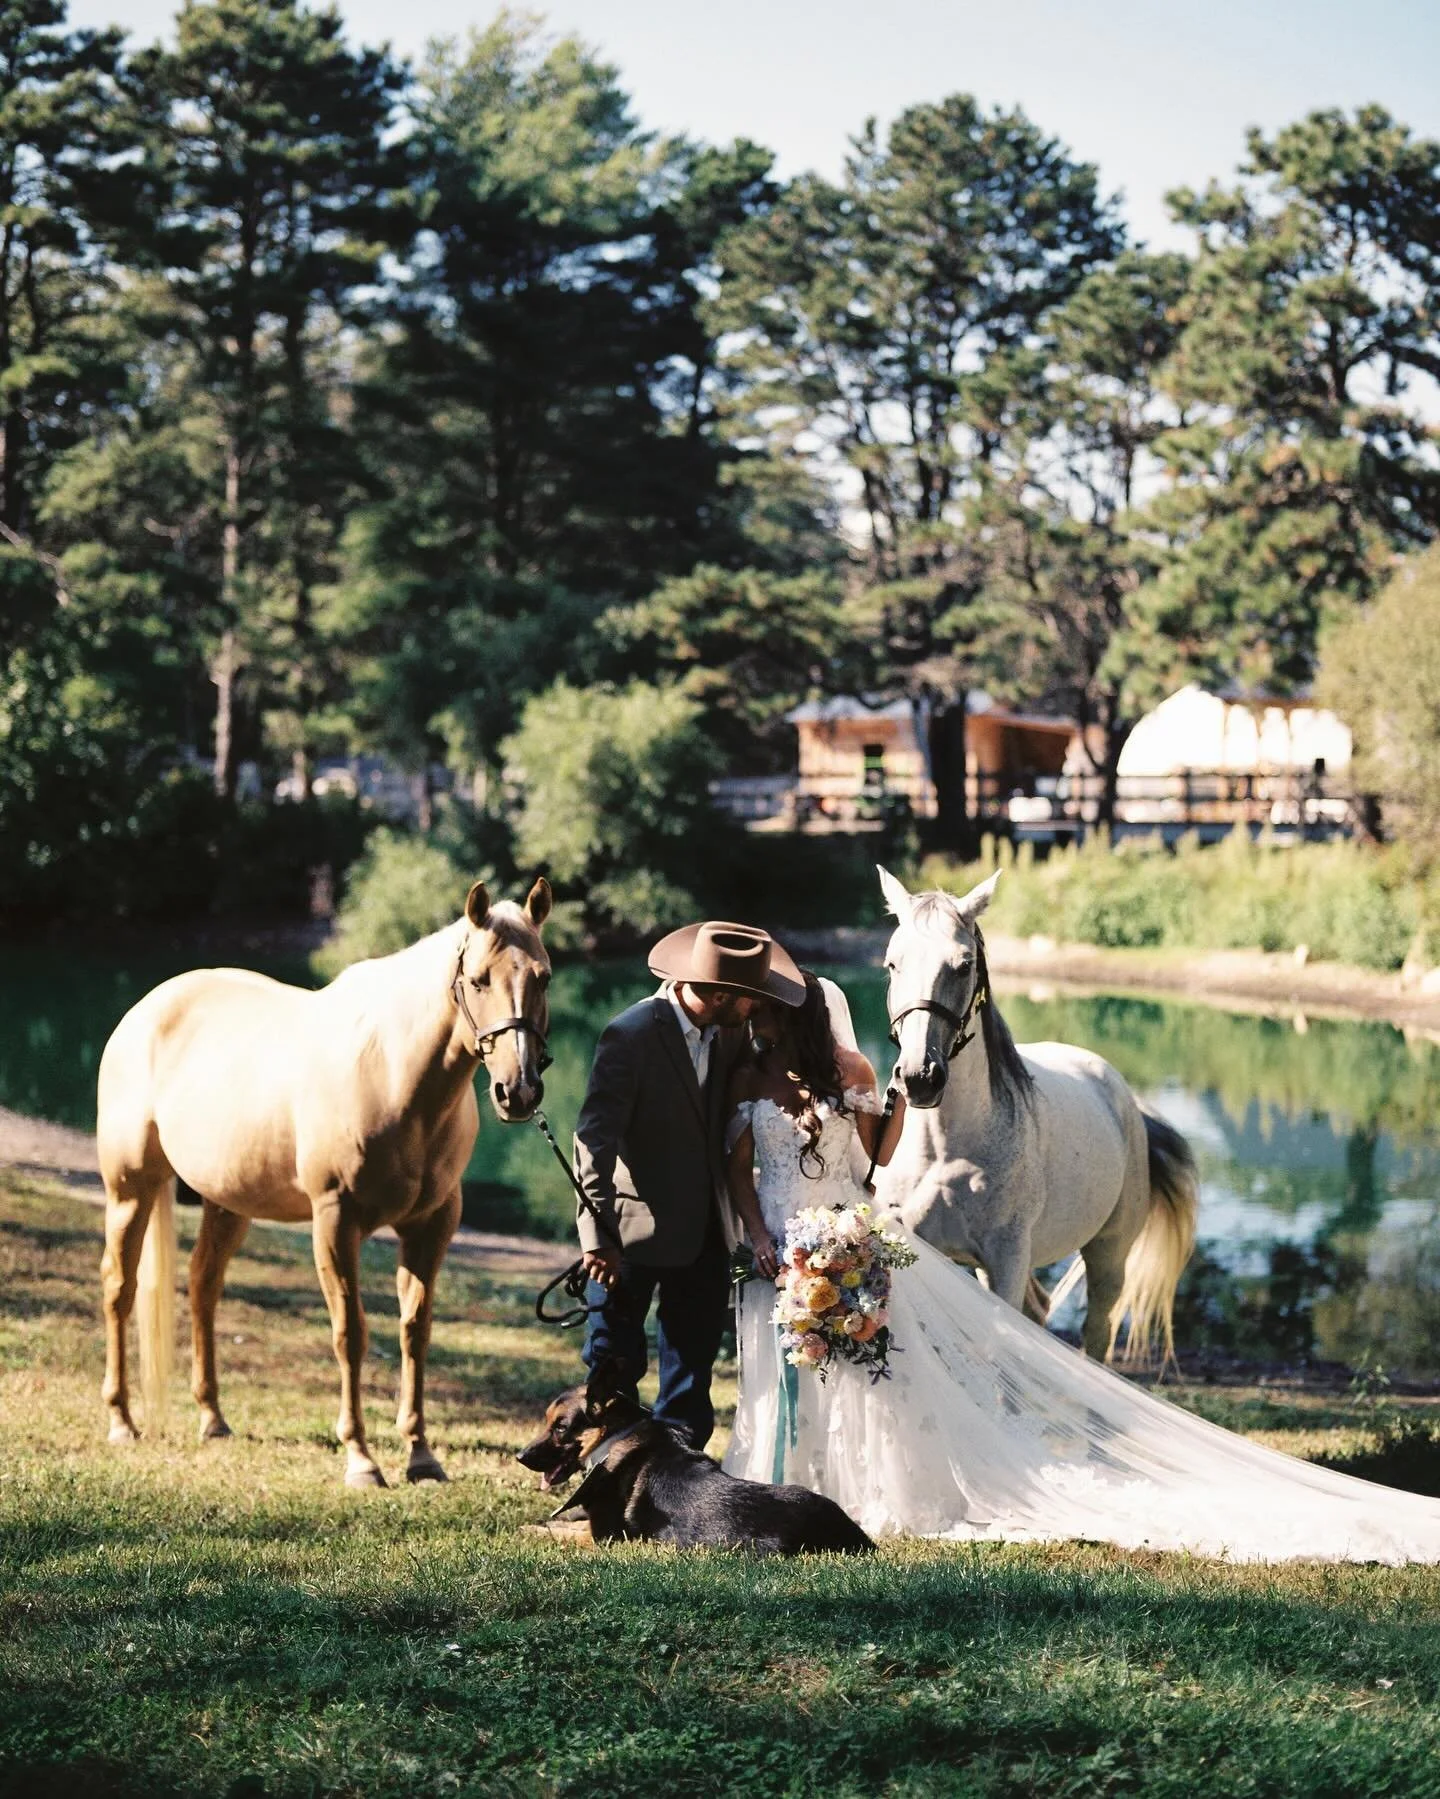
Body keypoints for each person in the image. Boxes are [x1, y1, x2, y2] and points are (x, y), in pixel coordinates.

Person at [722, 971, 1440, 1563]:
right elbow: (740, 1168)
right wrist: (758, 1228)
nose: (762, 1027)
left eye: (772, 1018)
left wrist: (888, 1123)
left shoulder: (848, 1074)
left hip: (834, 1230)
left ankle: (872, 1476)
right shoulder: (749, 1075)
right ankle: (791, 1478)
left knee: (860, 1360)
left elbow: (873, 1155)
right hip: (779, 1241)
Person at [572, 919, 805, 1449]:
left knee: (690, 1373)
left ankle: (678, 1481)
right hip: (630, 1238)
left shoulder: (730, 1033)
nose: (755, 1010)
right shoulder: (629, 1035)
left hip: (705, 1234)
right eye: (750, 999)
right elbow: (593, 1141)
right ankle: (607, 1475)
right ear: (721, 993)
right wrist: (598, 1237)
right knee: (613, 1364)